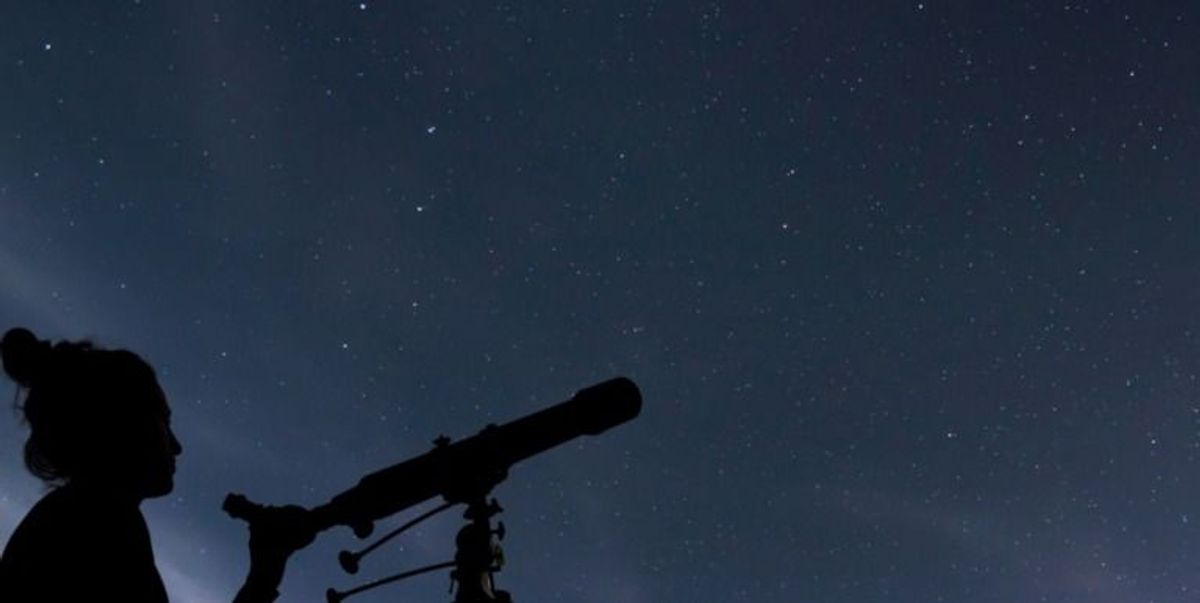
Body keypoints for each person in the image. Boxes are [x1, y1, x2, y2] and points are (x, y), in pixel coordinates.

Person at [0, 327, 315, 603]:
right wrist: (261, 581)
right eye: (164, 420)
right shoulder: (97, 526)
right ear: (121, 421)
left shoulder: (80, 517)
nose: (176, 446)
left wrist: (262, 578)